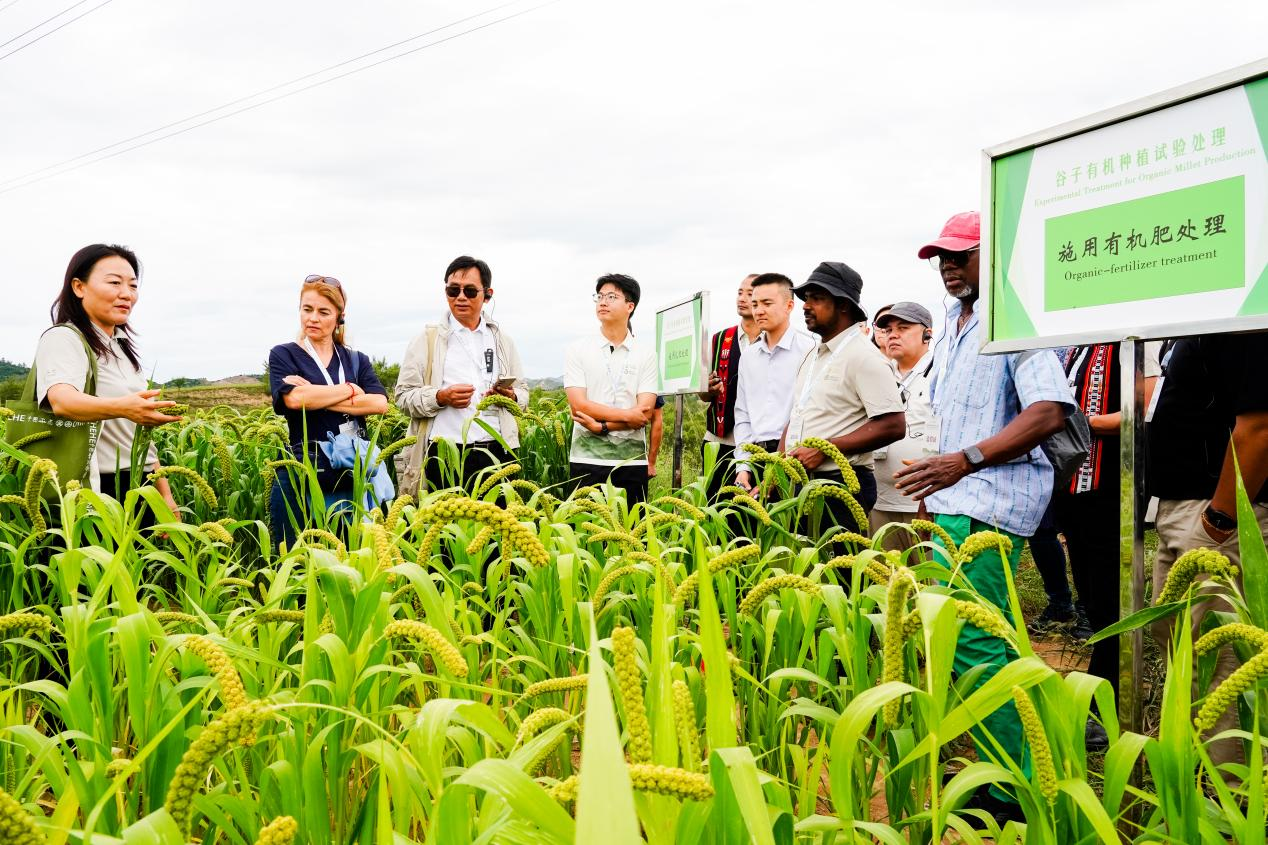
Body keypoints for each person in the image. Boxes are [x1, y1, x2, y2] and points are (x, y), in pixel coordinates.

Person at [894, 211, 1074, 821]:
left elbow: (1048, 410)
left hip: (989, 505)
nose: (947, 266)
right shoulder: (951, 324)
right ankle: (1006, 765)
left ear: (991, 258)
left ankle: (1011, 790)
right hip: (953, 502)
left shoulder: (1013, 316)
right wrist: (933, 487)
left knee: (976, 642)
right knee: (977, 637)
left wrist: (964, 463)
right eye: (940, 257)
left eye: (961, 255)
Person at [1147, 331, 1268, 770]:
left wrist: (1220, 518)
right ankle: (1191, 777)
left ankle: (1227, 799)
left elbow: (1259, 427)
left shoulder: (1245, 318)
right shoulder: (1198, 324)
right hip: (1188, 508)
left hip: (1218, 515)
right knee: (1181, 645)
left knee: (1220, 660)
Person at [35, 244, 182, 510]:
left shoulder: (122, 347)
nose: (126, 294)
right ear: (79, 287)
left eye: (133, 286)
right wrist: (124, 408)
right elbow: (62, 401)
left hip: (141, 482)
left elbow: (138, 434)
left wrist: (165, 495)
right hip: (94, 487)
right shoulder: (64, 338)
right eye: (114, 282)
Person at [783, 264, 906, 535]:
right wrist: (777, 469)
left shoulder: (864, 356)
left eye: (817, 298)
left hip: (841, 486)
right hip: (803, 483)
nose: (806, 306)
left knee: (841, 575)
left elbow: (893, 424)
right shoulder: (813, 356)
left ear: (843, 306)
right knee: (807, 572)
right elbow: (798, 415)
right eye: (806, 298)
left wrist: (826, 449)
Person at [268, 275, 388, 546]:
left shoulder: (356, 359)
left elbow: (379, 404)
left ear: (339, 317)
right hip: (302, 469)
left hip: (352, 469)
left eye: (323, 312)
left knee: (354, 553)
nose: (313, 318)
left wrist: (314, 393)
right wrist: (349, 389)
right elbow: (294, 400)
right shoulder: (283, 354)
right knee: (298, 555)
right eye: (307, 309)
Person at [394, 256, 529, 496]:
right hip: (443, 454)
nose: (461, 297)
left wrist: (511, 397)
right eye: (453, 290)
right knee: (444, 531)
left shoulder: (501, 341)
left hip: (497, 453)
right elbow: (403, 397)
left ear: (487, 295)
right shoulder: (426, 340)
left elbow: (523, 393)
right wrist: (439, 397)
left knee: (496, 530)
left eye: (469, 291)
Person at [564, 274, 658, 505]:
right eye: (599, 296)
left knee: (631, 534)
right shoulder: (577, 349)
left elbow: (645, 413)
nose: (602, 302)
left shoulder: (646, 353)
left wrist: (601, 426)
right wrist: (628, 416)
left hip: (632, 461)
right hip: (587, 459)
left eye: (611, 296)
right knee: (585, 535)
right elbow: (579, 406)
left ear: (630, 306)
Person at [733, 274, 816, 493]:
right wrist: (742, 466)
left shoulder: (810, 350)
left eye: (767, 303)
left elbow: (810, 413)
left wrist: (783, 464)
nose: (758, 310)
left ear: (789, 305)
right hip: (755, 460)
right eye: (755, 304)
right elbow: (743, 414)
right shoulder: (749, 356)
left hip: (796, 461)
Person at [869, 301, 935, 551]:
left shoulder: (940, 371)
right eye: (887, 330)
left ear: (927, 333)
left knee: (927, 584)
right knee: (885, 583)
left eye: (903, 327)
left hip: (920, 504)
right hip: (880, 501)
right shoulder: (878, 373)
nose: (893, 334)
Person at [698, 274, 761, 498]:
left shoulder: (772, 341)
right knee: (715, 504)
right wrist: (708, 388)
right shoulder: (719, 340)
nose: (742, 298)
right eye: (740, 292)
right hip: (720, 440)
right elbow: (703, 395)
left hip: (760, 443)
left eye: (750, 293)